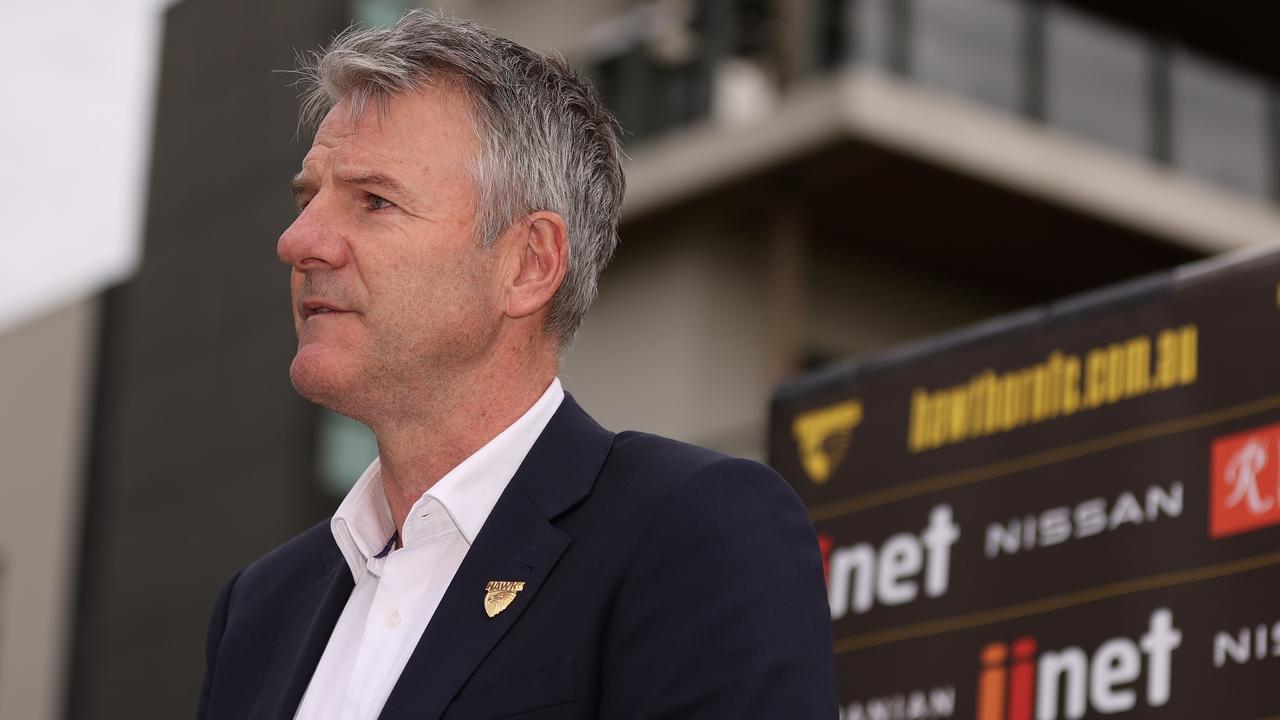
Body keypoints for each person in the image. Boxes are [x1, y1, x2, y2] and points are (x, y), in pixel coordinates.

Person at [197, 10, 836, 719]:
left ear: (529, 266)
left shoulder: (695, 534)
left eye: (374, 201)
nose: (299, 239)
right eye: (307, 198)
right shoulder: (258, 612)